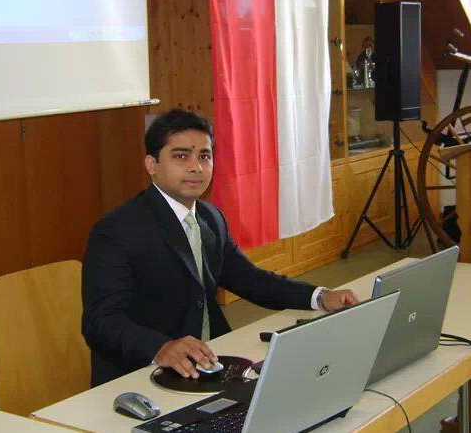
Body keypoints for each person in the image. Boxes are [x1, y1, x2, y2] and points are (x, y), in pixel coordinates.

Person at [82, 108, 358, 387]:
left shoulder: (210, 217)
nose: (196, 167)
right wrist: (160, 347)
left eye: (204, 156)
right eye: (181, 156)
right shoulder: (117, 231)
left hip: (208, 363)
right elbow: (101, 321)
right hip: (141, 375)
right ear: (152, 164)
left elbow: (250, 279)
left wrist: (319, 296)